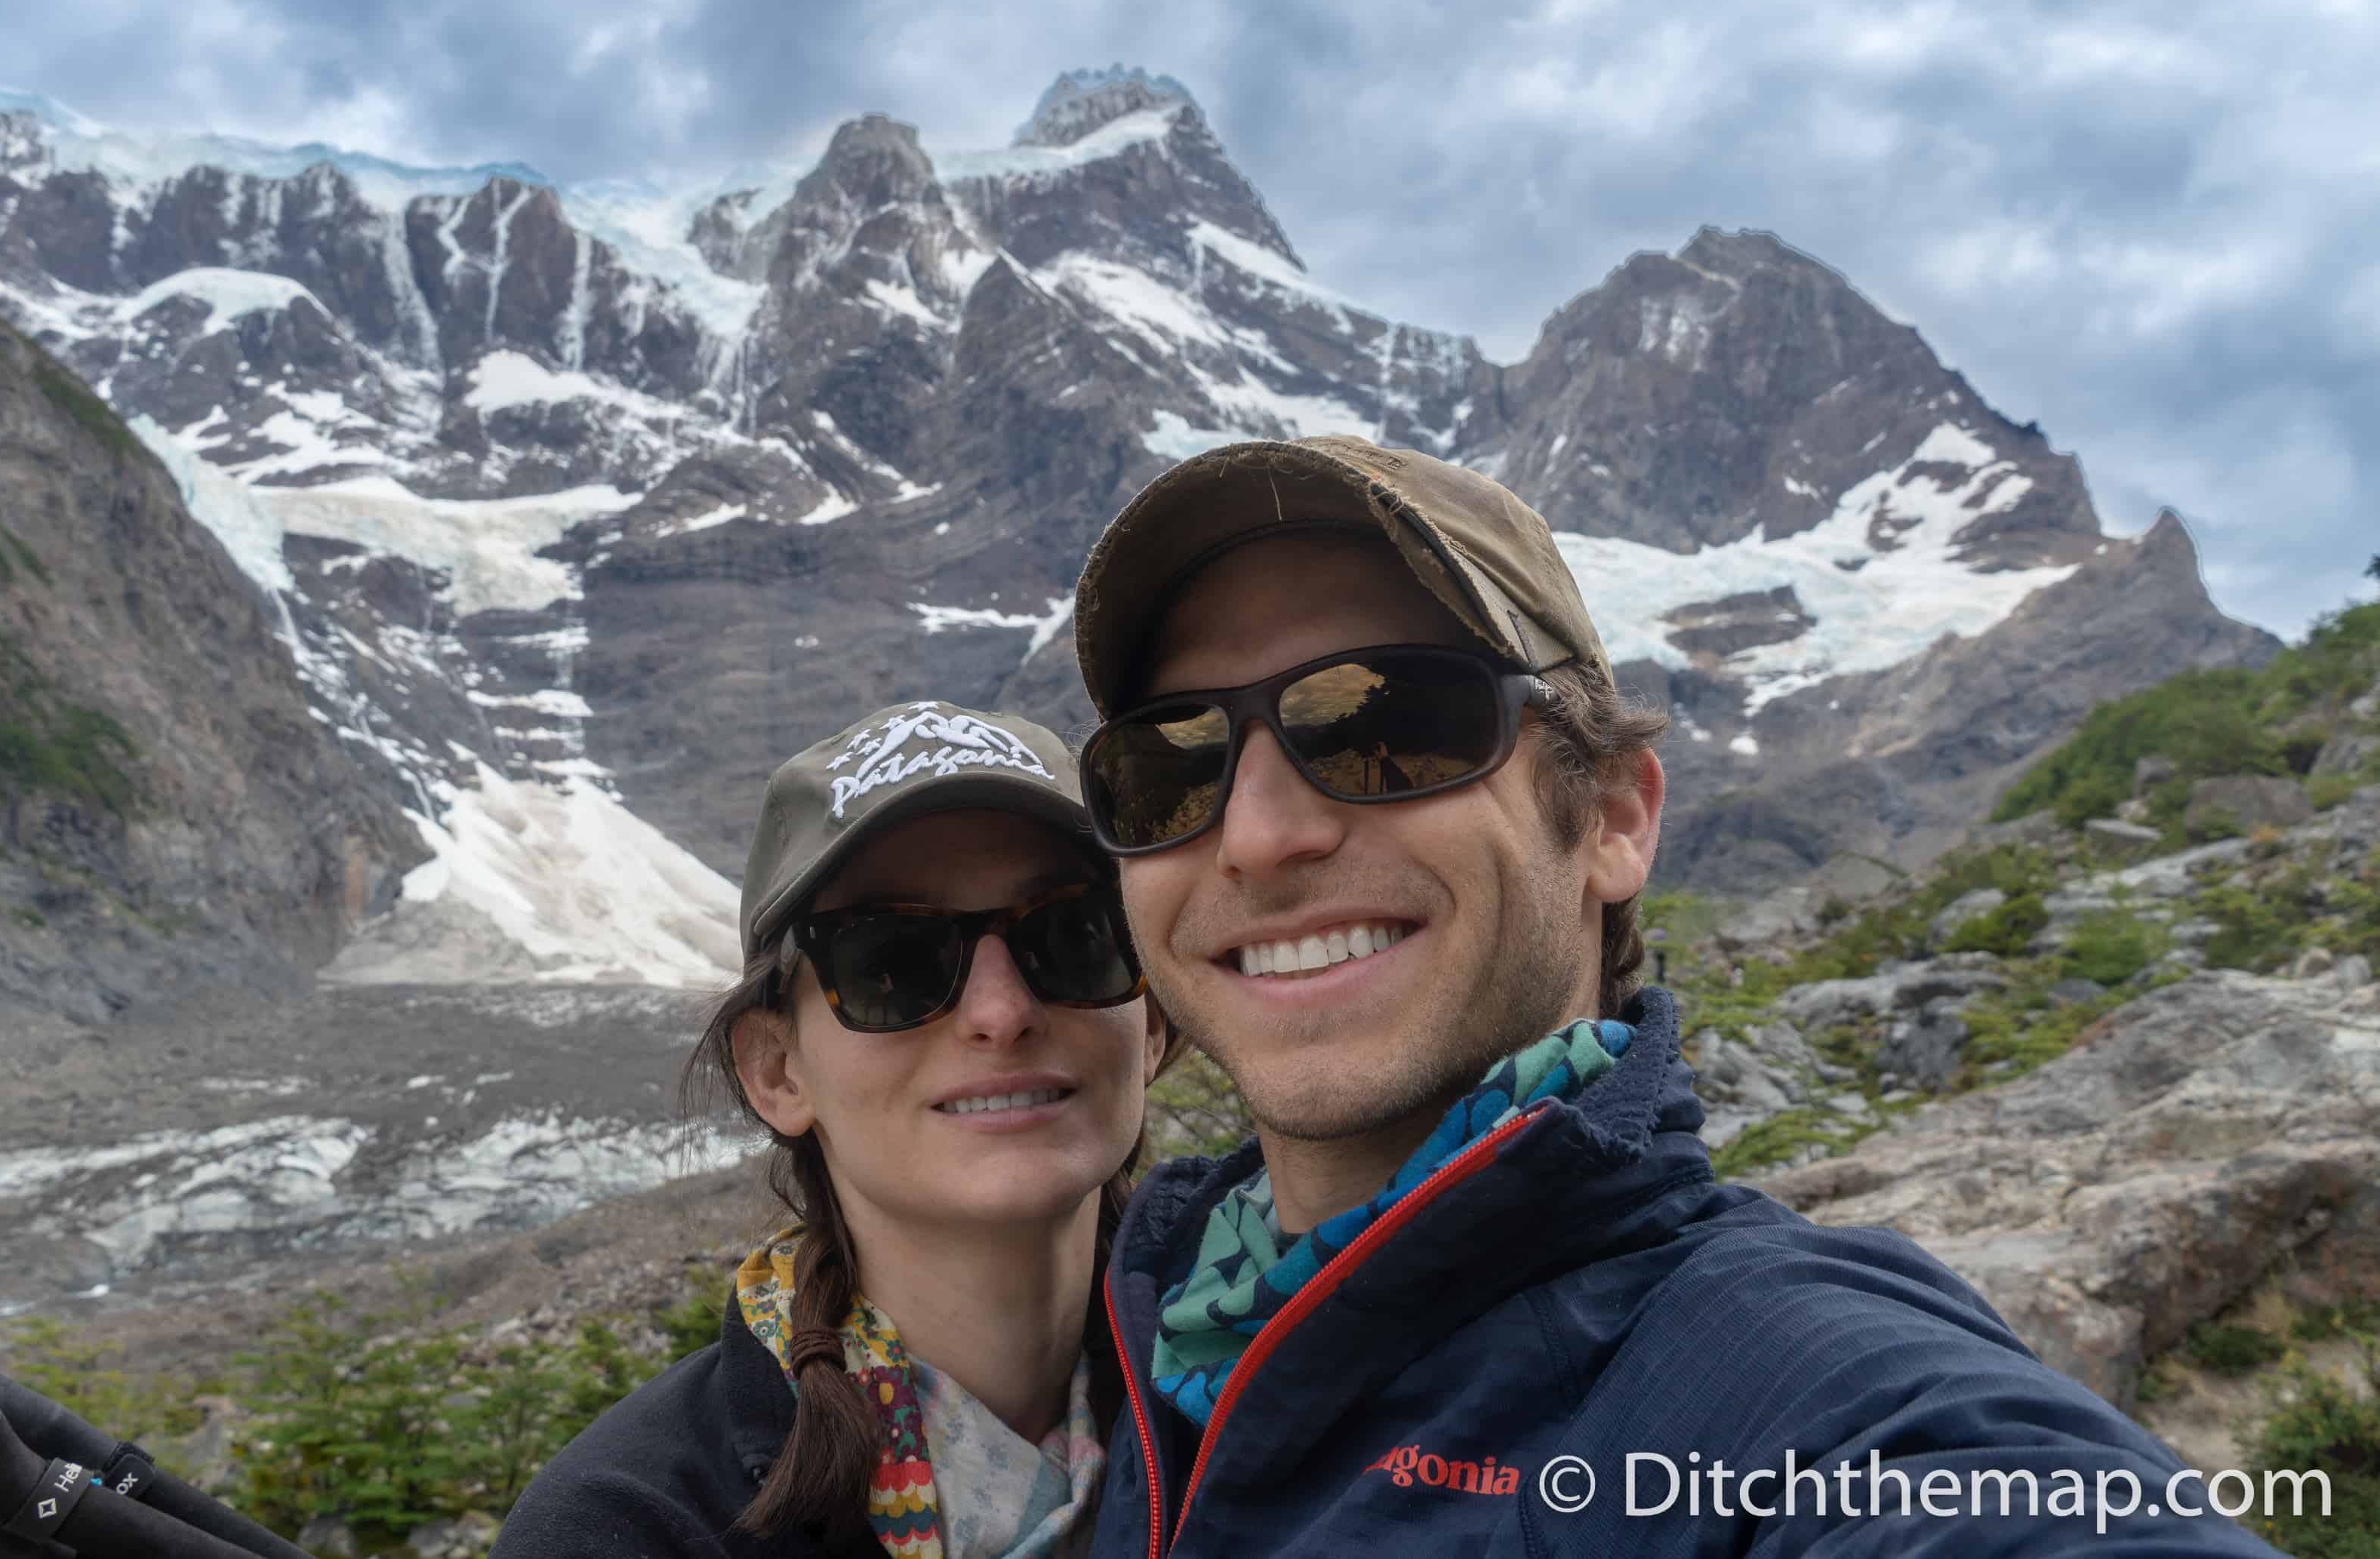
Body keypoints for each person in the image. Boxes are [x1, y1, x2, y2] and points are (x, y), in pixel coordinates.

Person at [1065, 437, 2275, 1556]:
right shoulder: (1142, 1322)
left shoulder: (1785, 1391)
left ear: (1610, 817)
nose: (1260, 836)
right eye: (1169, 768)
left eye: (1392, 723)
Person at [496, 700, 1168, 1559]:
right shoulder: (629, 1528)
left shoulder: (1300, 1392)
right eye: (891, 961)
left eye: (1073, 934)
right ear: (777, 1070)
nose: (1001, 1012)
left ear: (1149, 1021)